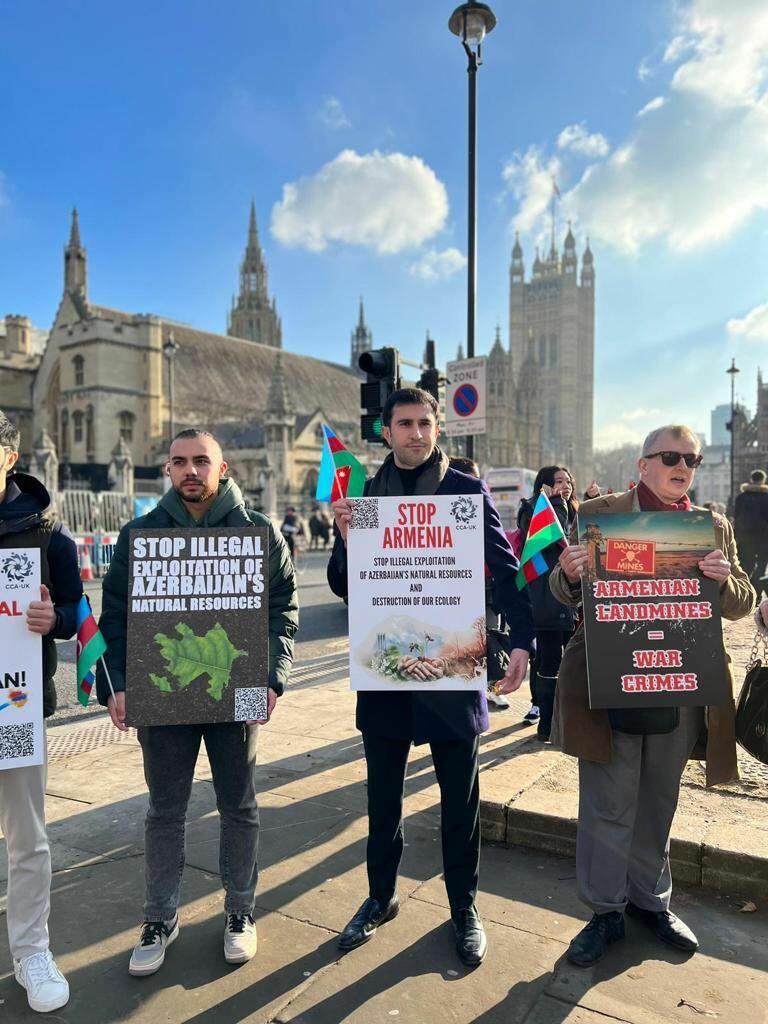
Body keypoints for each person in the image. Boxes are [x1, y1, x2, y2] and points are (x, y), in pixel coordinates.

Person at [328, 388, 534, 967]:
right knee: (383, 800)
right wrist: (344, 539)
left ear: (438, 428)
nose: (415, 433)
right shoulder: (366, 497)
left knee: (459, 802)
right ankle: (380, 898)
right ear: (386, 432)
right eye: (404, 424)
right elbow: (344, 585)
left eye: (425, 423)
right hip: (386, 670)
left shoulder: (466, 492)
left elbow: (506, 569)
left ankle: (464, 908)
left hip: (451, 670)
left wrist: (523, 639)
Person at [549, 425, 754, 967]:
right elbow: (561, 589)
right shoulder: (601, 513)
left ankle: (650, 902)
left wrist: (723, 580)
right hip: (612, 678)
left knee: (660, 798)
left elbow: (741, 602)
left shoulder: (711, 525)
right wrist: (567, 573)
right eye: (670, 456)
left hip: (682, 681)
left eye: (692, 458)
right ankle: (605, 911)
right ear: (644, 465)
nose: (683, 466)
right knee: (609, 801)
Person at [97, 429, 298, 976]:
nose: (191, 470)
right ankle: (160, 917)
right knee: (165, 811)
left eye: (201, 461)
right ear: (167, 469)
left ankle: (240, 911)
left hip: (236, 690)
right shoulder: (139, 535)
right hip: (161, 695)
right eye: (180, 461)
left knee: (239, 806)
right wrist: (116, 685)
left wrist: (272, 679)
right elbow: (114, 617)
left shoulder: (258, 532)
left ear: (222, 468)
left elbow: (282, 611)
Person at [0, 411, 81, 1013]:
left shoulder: (47, 535)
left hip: (14, 709)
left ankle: (31, 950)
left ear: (9, 458)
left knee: (27, 838)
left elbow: (77, 612)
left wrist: (54, 620)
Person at [516, 467, 577, 740]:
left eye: (568, 481)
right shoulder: (534, 509)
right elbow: (555, 536)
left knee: (573, 659)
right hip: (546, 596)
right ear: (544, 486)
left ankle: (567, 719)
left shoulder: (571, 508)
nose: (566, 486)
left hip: (573, 600)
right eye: (559, 481)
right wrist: (555, 504)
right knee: (547, 659)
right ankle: (546, 722)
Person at [448, 456, 511, 711]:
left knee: (491, 637)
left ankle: (493, 688)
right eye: (472, 478)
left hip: (487, 587)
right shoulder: (445, 513)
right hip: (457, 590)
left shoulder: (482, 508)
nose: (478, 485)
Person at [733, 469, 768, 589]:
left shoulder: (741, 497)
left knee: (746, 566)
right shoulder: (766, 497)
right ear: (763, 480)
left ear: (751, 480)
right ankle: (757, 592)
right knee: (761, 566)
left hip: (745, 538)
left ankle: (745, 591)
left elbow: (736, 518)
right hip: (763, 538)